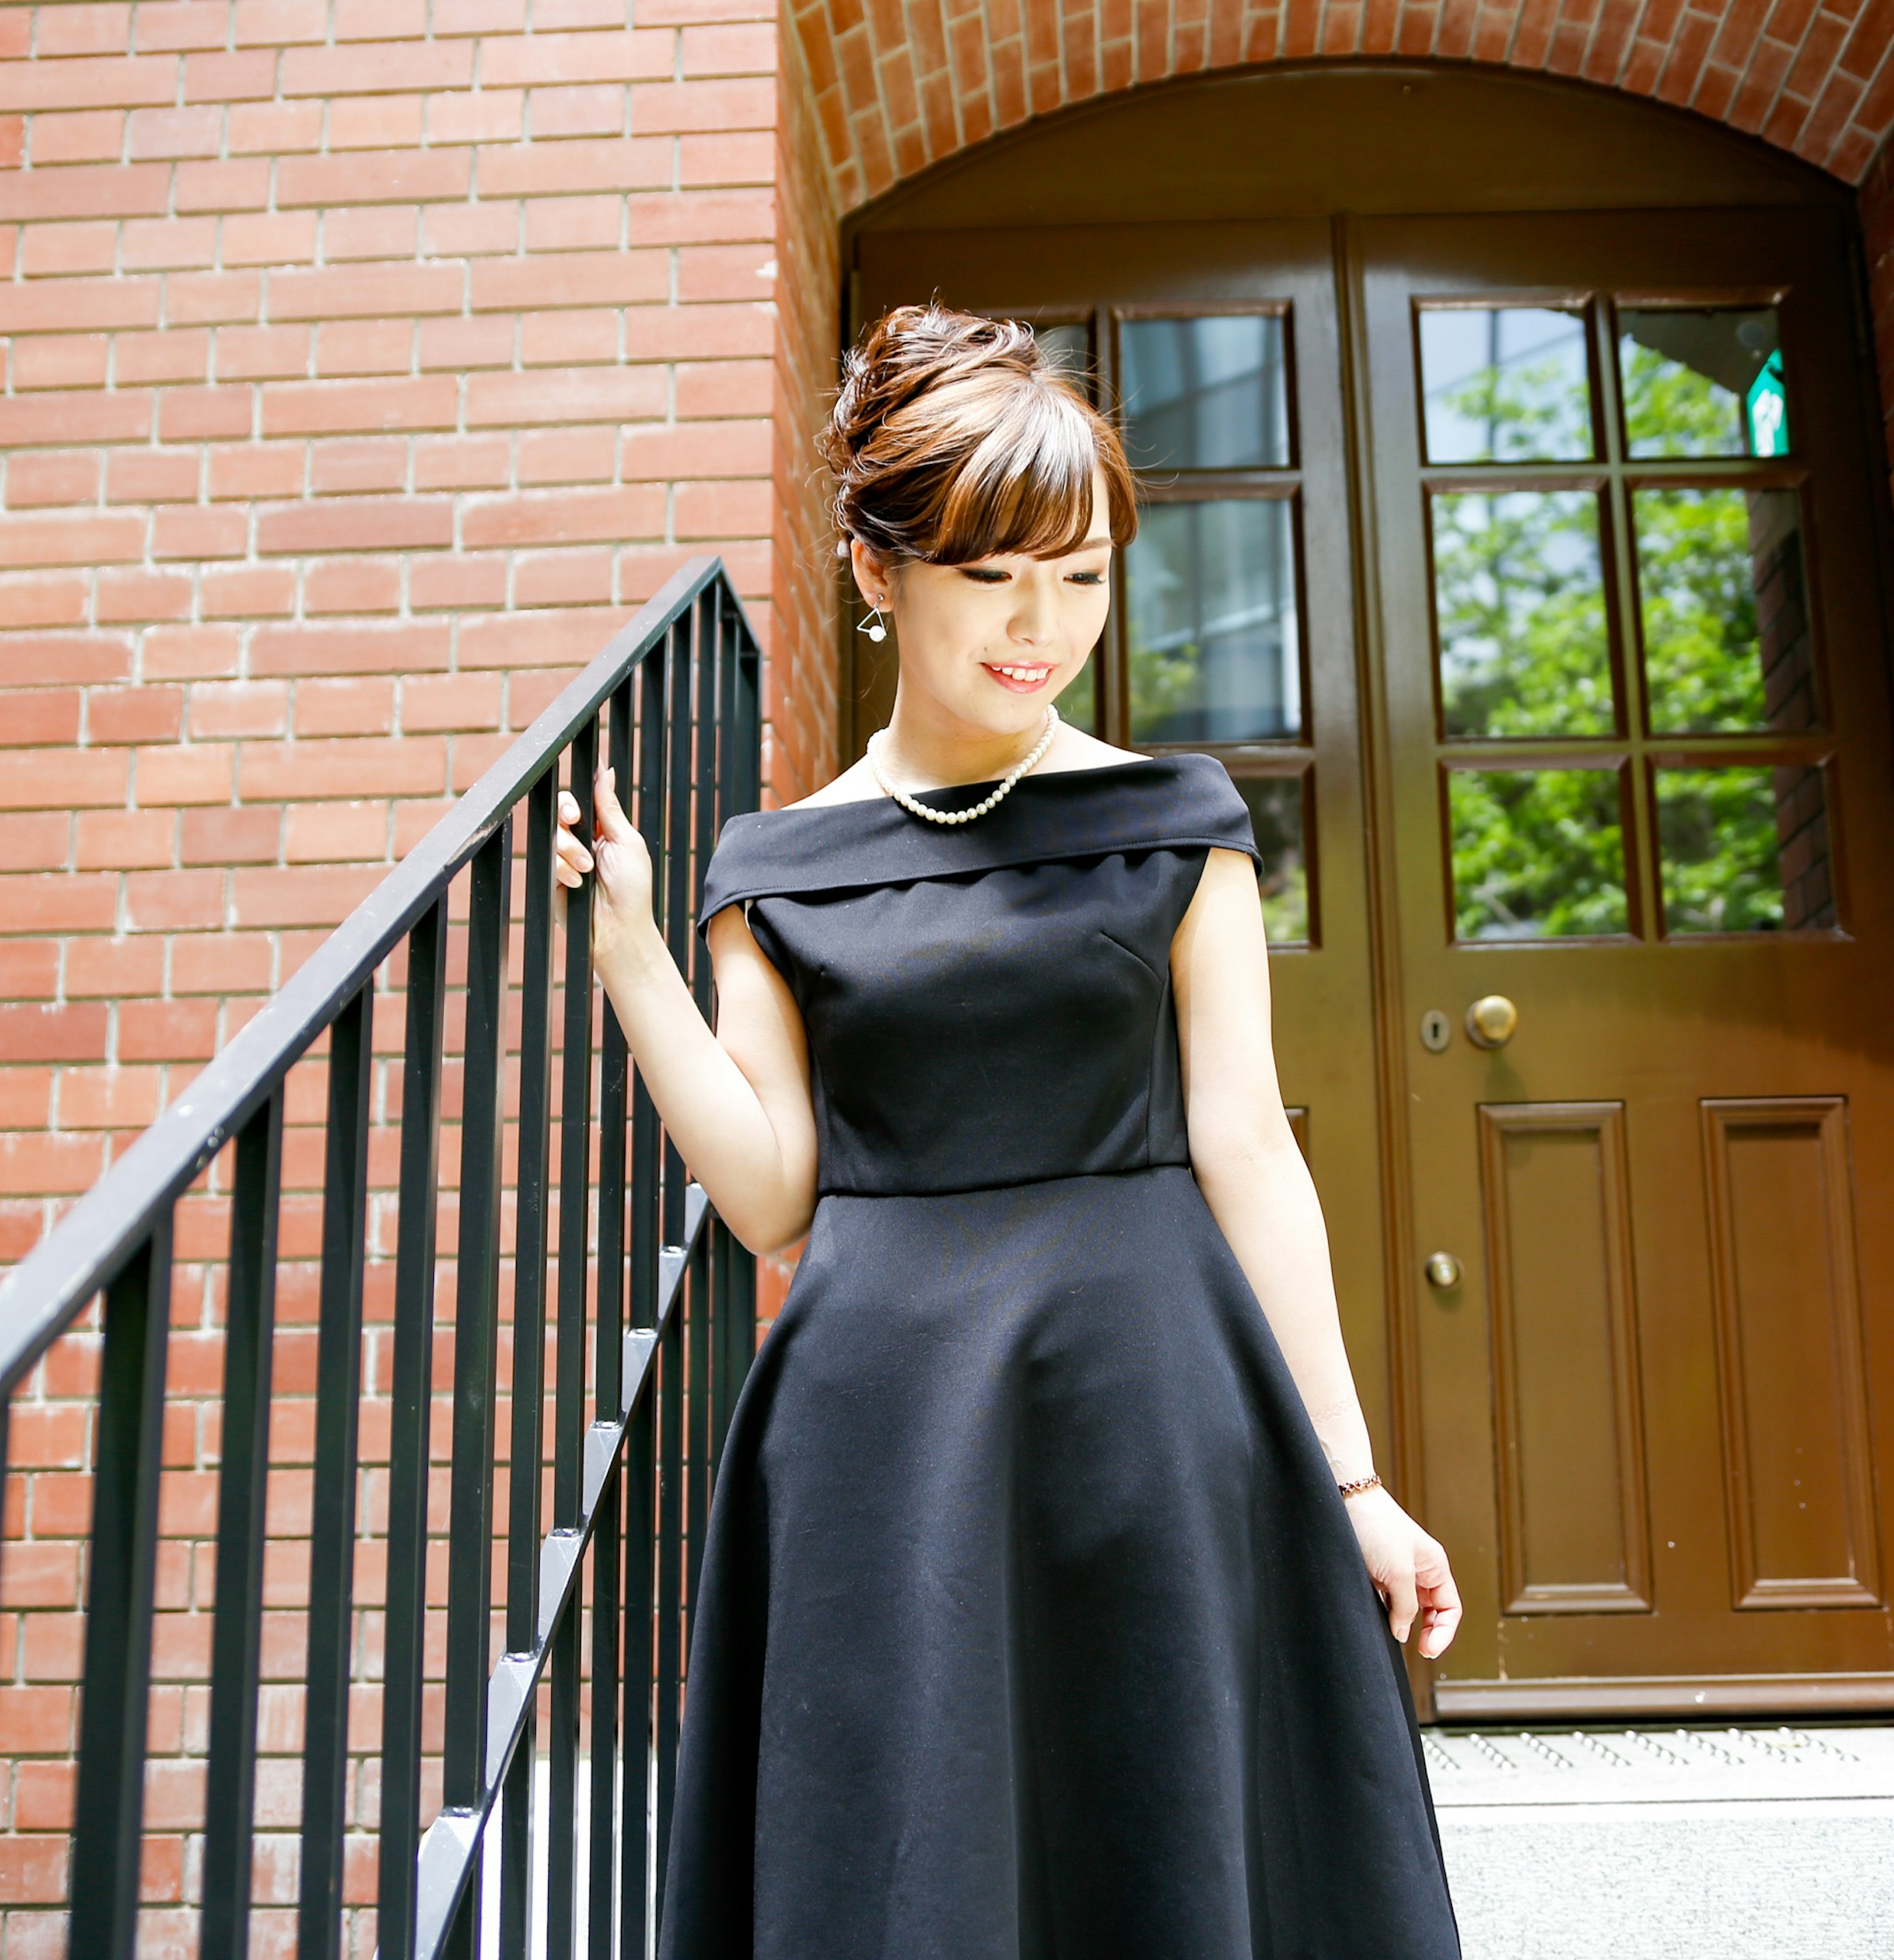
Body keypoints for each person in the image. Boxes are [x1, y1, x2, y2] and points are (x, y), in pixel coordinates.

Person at [554, 302, 1465, 1958]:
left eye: (1085, 574)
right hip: (884, 1430)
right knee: (916, 1853)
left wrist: (1352, 1475)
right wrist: (633, 957)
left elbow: (1248, 1144)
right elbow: (774, 1199)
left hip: (1153, 1398)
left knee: (1156, 1840)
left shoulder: (1176, 823)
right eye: (995, 575)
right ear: (879, 569)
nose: (1044, 623)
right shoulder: (777, 870)